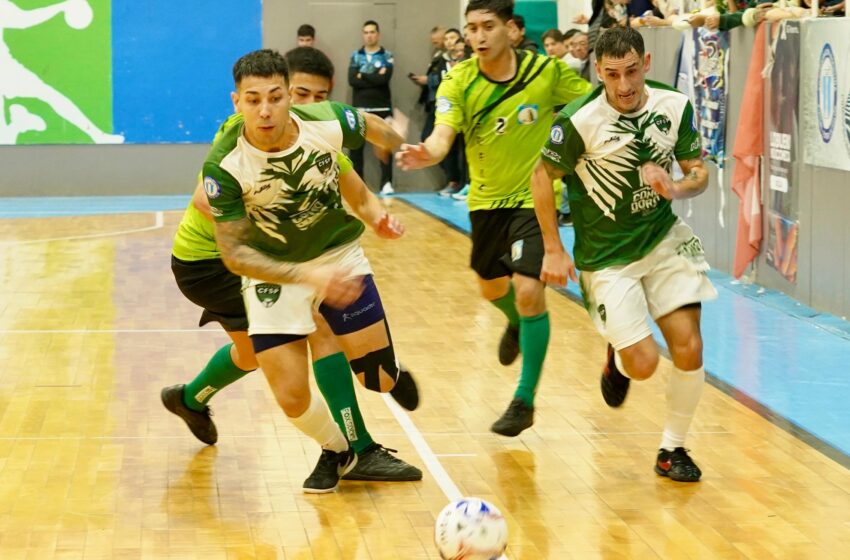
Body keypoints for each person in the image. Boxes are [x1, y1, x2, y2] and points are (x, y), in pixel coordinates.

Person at [165, 48, 421, 492]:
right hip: (213, 261)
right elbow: (214, 218)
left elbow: (359, 162)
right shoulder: (229, 156)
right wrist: (298, 264)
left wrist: (401, 149)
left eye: (281, 98)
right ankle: (348, 448)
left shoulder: (320, 130)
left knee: (255, 354)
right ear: (238, 101)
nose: (268, 110)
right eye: (255, 99)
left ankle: (192, 398)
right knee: (302, 351)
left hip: (301, 259)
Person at [397, 0, 591, 437]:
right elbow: (443, 133)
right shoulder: (459, 79)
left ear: (512, 30)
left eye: (487, 26)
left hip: (534, 197)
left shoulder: (546, 73)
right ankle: (518, 323)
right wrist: (428, 151)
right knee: (491, 288)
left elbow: (592, 108)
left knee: (528, 291)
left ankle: (524, 401)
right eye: (471, 28)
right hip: (486, 203)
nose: (478, 37)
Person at [530, 27, 716, 482]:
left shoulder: (674, 105)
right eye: (613, 74)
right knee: (644, 364)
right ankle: (617, 354)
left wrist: (676, 185)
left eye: (632, 71)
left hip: (663, 239)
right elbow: (541, 176)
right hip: (607, 258)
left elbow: (699, 173)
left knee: (690, 347)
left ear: (646, 63)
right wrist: (553, 248)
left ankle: (673, 449)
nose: (625, 85)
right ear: (599, 72)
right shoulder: (577, 121)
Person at [348, 20, 395, 195]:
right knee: (356, 149)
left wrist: (363, 75)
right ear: (363, 35)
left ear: (378, 34)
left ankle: (387, 183)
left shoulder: (387, 55)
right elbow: (352, 80)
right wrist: (374, 75)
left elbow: (384, 80)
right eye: (366, 32)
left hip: (382, 108)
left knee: (384, 147)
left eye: (372, 32)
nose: (369, 35)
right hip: (360, 108)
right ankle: (359, 184)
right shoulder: (355, 55)